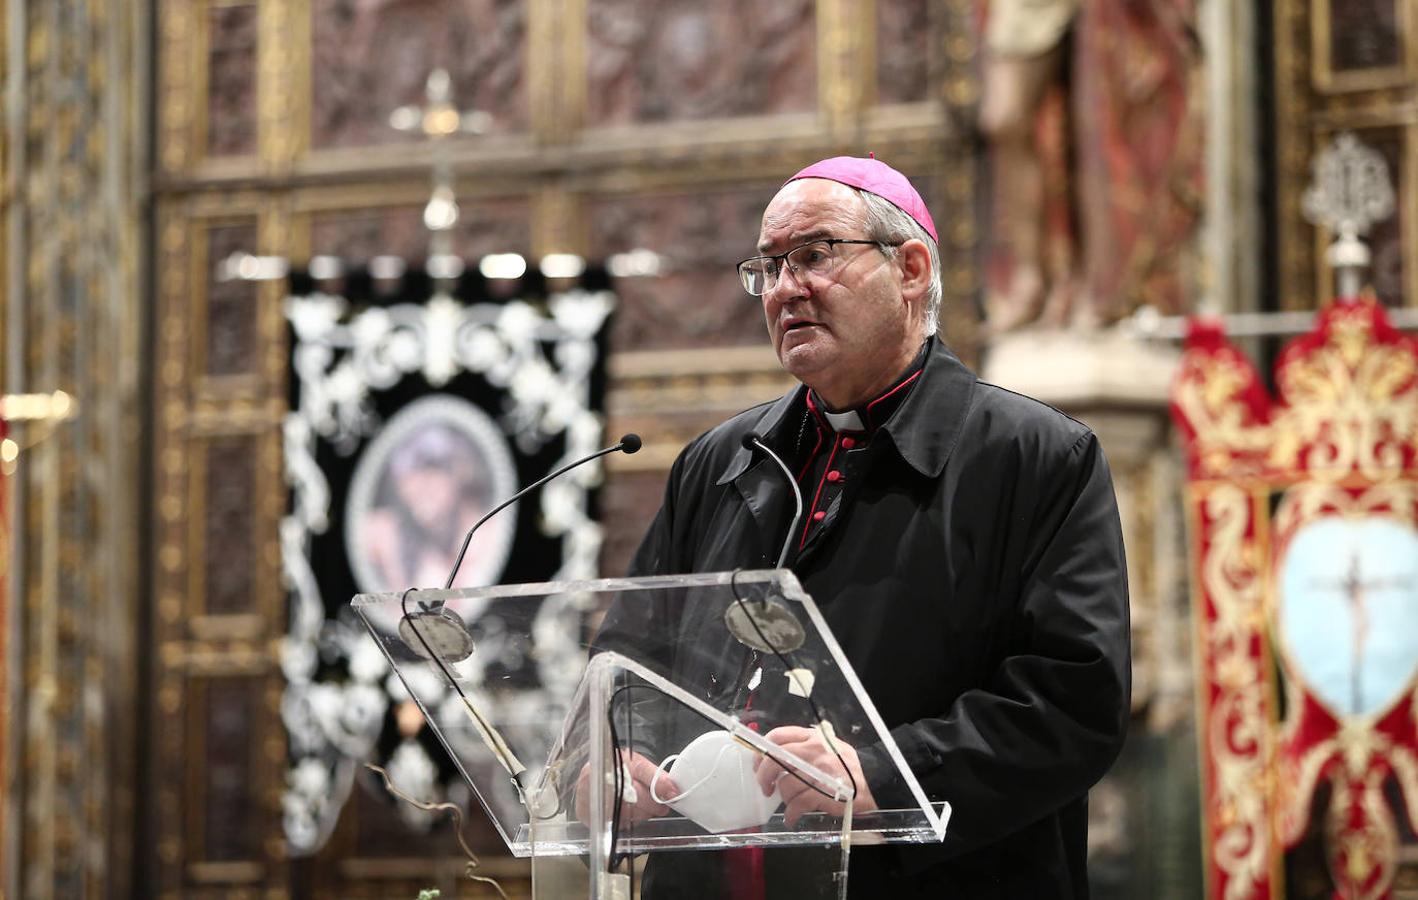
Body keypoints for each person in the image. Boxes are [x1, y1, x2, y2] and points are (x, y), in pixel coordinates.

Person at [617, 155, 1132, 897]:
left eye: (815, 256)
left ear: (912, 268)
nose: (786, 288)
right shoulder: (719, 464)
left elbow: (1073, 700)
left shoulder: (1035, 457)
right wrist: (625, 755)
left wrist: (885, 775)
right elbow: (633, 654)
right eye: (769, 266)